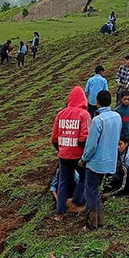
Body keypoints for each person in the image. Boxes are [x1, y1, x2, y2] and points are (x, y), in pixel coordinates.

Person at [80, 90, 121, 230]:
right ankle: (100, 219)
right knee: (97, 189)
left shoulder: (97, 120)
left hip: (96, 162)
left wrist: (83, 159)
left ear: (97, 103)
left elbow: (91, 145)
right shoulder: (117, 116)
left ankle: (91, 223)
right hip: (110, 161)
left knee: (90, 191)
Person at [51, 86, 92, 219]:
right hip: (77, 155)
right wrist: (85, 155)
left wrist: (61, 149)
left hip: (63, 154)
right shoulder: (84, 114)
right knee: (85, 177)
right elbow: (83, 138)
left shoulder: (60, 114)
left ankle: (60, 212)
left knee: (63, 181)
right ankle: (76, 201)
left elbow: (54, 138)